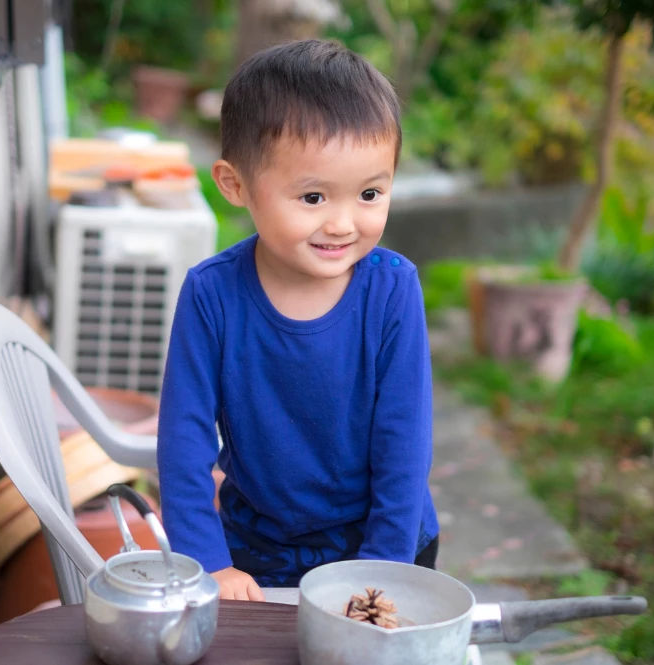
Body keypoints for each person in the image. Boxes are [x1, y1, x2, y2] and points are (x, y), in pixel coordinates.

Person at [156, 38, 439, 601]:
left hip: (384, 542)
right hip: (253, 553)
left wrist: (382, 568)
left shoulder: (392, 290)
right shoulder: (212, 295)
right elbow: (183, 440)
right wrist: (207, 562)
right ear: (235, 184)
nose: (342, 223)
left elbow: (404, 443)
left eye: (369, 193)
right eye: (313, 197)